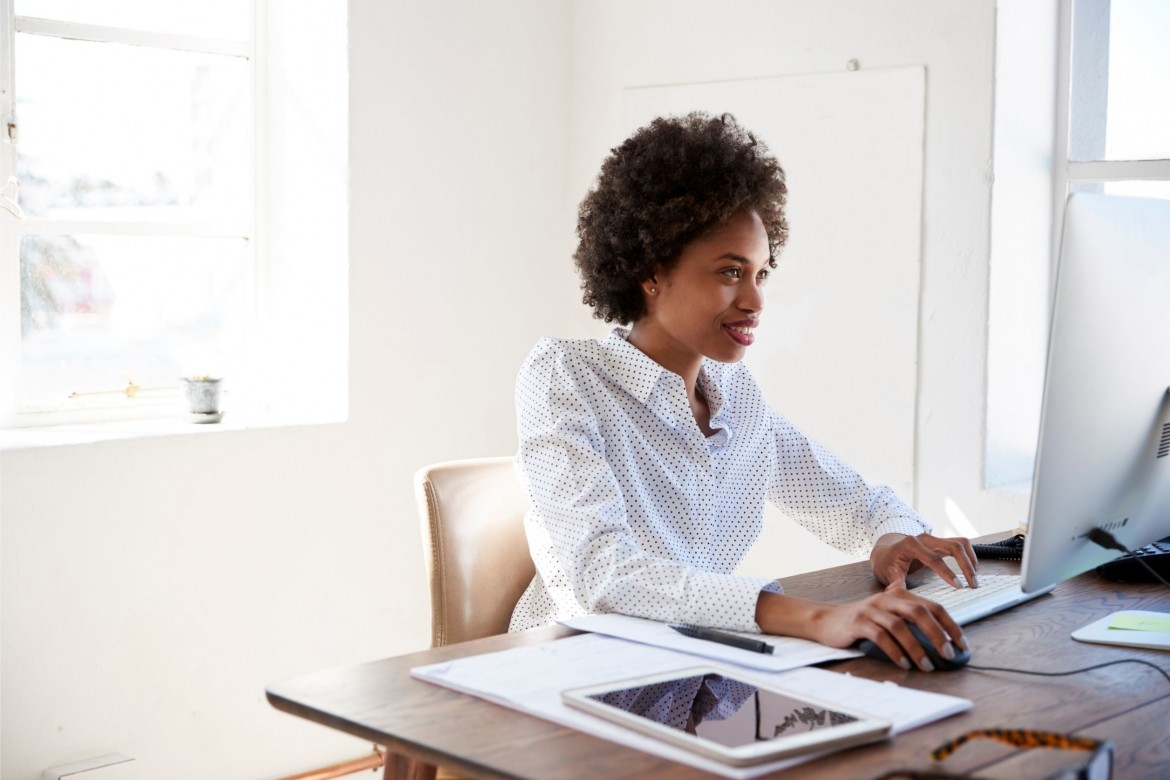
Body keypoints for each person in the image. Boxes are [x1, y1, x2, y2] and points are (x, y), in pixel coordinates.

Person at [509, 112, 978, 672]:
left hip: (688, 669)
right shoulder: (564, 375)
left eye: (760, 274)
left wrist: (889, 539)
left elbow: (847, 500)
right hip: (563, 673)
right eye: (731, 272)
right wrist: (815, 618)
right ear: (651, 272)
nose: (755, 301)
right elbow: (601, 577)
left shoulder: (734, 394)